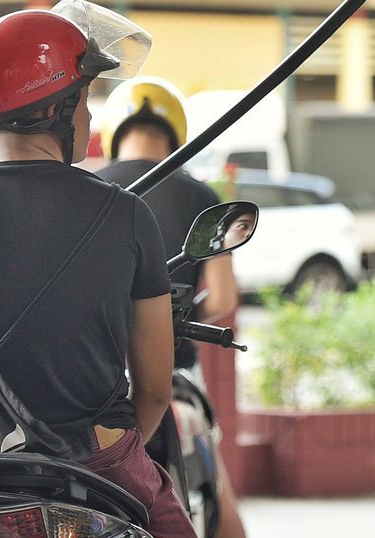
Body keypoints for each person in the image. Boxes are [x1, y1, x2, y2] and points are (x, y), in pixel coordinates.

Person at [0, 7, 195, 538]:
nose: (90, 119)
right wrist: (114, 455)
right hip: (93, 461)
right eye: (85, 99)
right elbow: (153, 390)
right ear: (58, 107)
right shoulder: (126, 214)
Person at [97, 76, 248, 538]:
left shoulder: (89, 191)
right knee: (218, 493)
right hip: (176, 369)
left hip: (100, 382)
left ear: (114, 131)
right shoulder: (201, 196)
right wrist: (174, 321)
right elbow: (223, 299)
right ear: (176, 133)